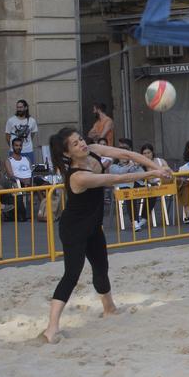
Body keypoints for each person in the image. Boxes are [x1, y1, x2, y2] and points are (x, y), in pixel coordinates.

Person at [42, 128, 169, 343]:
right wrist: (152, 174)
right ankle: (51, 328)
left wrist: (158, 167)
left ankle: (109, 308)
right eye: (75, 144)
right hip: (74, 229)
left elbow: (127, 155)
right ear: (67, 153)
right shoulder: (77, 176)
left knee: (101, 268)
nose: (81, 144)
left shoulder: (92, 150)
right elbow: (116, 178)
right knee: (72, 274)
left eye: (80, 139)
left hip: (93, 225)